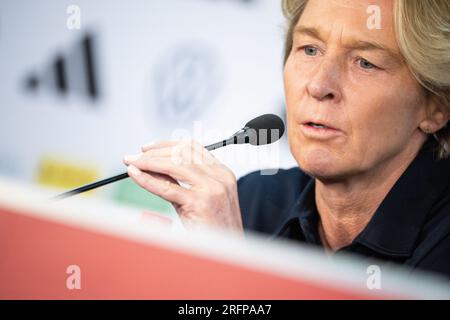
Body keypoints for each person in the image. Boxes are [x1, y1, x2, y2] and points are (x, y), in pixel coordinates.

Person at [123, 0, 450, 277]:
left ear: (437, 106)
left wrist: (229, 268)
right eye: (310, 49)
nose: (319, 85)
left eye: (365, 62)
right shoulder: (253, 203)